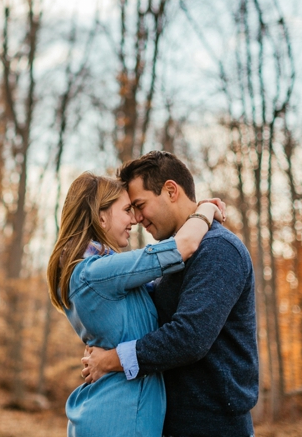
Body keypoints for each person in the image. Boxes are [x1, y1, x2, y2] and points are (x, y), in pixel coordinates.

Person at [81, 151, 259, 437]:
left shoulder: (217, 249)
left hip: (213, 426)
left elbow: (189, 337)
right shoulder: (172, 259)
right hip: (174, 423)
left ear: (171, 190)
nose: (137, 219)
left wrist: (111, 360)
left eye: (139, 205)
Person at [47, 171, 225, 437]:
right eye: (127, 210)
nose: (134, 219)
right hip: (119, 418)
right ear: (101, 216)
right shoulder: (96, 272)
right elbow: (184, 245)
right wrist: (206, 209)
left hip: (119, 414)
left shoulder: (98, 273)